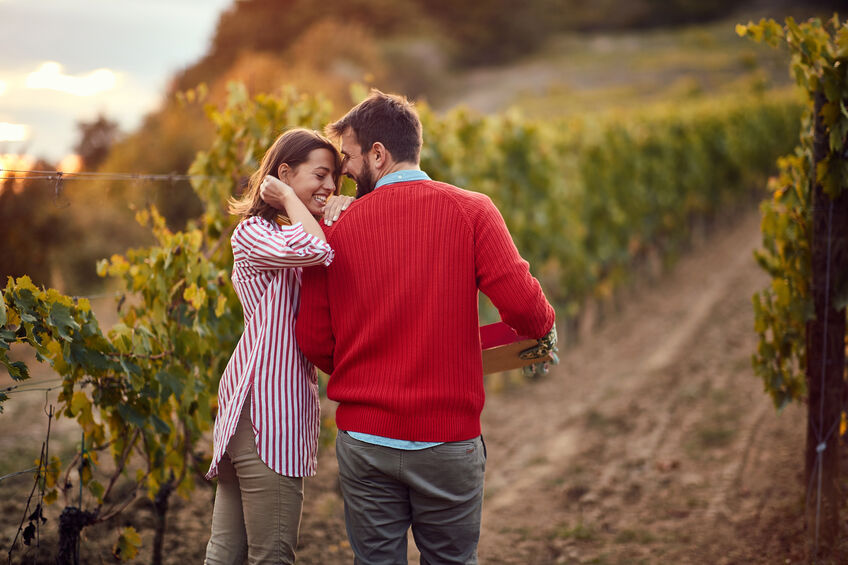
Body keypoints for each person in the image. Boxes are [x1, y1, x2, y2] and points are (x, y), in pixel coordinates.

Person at [291, 90, 557, 564]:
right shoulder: (473, 211)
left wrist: (365, 365)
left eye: (349, 158)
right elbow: (528, 313)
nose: (344, 175)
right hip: (448, 441)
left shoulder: (331, 231)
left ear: (379, 153)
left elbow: (314, 340)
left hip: (366, 443)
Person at [204, 127, 353, 565]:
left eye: (335, 181)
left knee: (225, 552)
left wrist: (334, 213)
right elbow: (316, 249)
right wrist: (290, 199)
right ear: (283, 172)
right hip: (269, 417)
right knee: (272, 556)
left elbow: (316, 246)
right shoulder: (253, 233)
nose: (329, 187)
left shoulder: (283, 237)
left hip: (256, 413)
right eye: (320, 175)